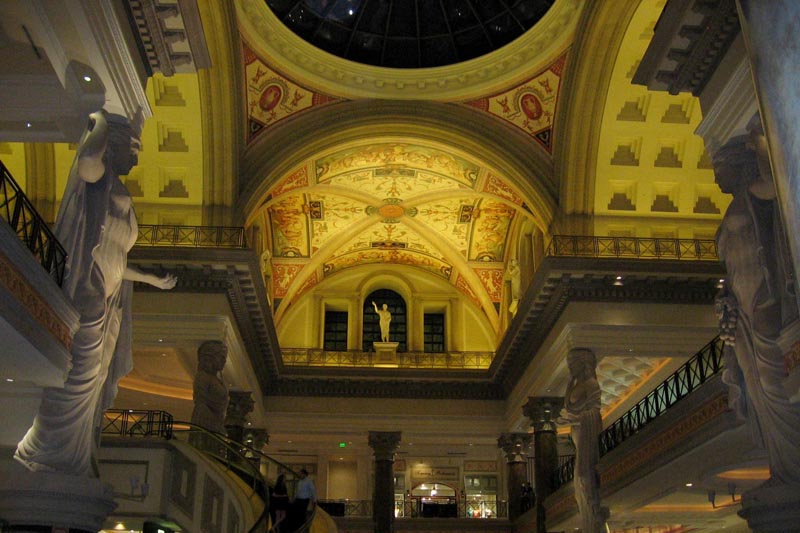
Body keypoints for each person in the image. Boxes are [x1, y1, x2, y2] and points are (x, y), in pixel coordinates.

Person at [15, 110, 177, 476]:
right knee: (78, 378)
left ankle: (73, 455)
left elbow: (116, 258)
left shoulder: (122, 196)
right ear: (113, 144)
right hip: (88, 296)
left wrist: (148, 277)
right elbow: (87, 158)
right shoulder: (99, 180)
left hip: (109, 297)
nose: (136, 158)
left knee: (95, 381)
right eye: (133, 147)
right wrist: (98, 120)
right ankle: (44, 451)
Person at [714, 132, 800, 485]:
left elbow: (781, 181)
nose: (716, 173)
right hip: (743, 310)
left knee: (774, 384)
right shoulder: (734, 209)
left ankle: (792, 466)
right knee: (759, 391)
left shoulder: (756, 193)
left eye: (720, 165)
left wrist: (764, 146)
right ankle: (782, 465)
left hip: (764, 301)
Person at [559, 348, 604, 533]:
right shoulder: (576, 385)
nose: (570, 368)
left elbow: (594, 411)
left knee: (584, 475)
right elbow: (571, 409)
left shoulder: (591, 384)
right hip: (578, 432)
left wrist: (575, 418)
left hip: (587, 428)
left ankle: (593, 513)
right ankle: (588, 514)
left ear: (583, 363)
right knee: (579, 478)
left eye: (573, 363)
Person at [190, 340, 229, 434]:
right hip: (205, 417)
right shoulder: (203, 376)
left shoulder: (217, 379)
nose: (224, 361)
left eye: (225, 358)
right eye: (221, 357)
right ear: (210, 357)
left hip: (216, 419)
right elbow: (201, 399)